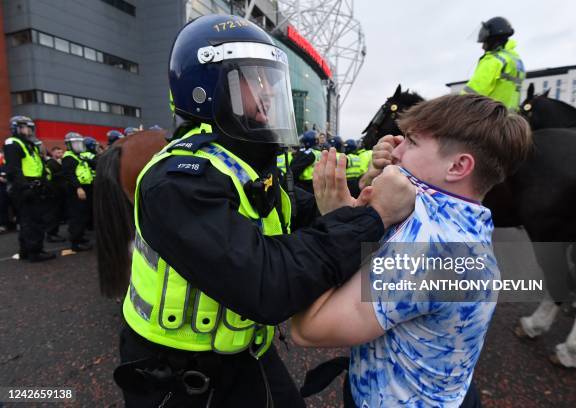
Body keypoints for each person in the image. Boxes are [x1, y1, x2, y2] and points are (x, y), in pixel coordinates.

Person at [112, 14, 414, 408]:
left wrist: (358, 189)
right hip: (179, 376)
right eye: (253, 81)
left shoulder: (246, 163)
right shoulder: (178, 182)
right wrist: (372, 219)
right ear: (205, 91)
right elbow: (268, 283)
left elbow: (300, 211)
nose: (269, 94)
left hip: (244, 352)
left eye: (271, 81)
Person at [291, 94, 532, 407]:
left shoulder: (432, 250)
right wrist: (371, 182)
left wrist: (335, 223)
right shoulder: (459, 220)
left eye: (413, 142)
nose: (396, 149)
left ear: (458, 166)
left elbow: (307, 330)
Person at [3, 116, 56, 261]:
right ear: (17, 128)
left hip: (33, 185)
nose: (29, 131)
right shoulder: (13, 143)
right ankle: (35, 252)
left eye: (30, 128)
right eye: (26, 128)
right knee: (33, 222)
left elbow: (36, 165)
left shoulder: (28, 144)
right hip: (26, 187)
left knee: (28, 220)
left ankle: (26, 250)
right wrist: (27, 186)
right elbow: (13, 169)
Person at [461, 17, 525, 111]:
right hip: (510, 118)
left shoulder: (494, 60)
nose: (483, 47)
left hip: (489, 118)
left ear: (493, 39)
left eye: (485, 42)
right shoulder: (515, 60)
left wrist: (454, 107)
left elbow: (472, 93)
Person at [62, 132, 93, 252]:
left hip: (85, 188)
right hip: (76, 190)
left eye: (80, 143)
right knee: (77, 216)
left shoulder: (79, 156)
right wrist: (78, 188)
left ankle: (80, 237)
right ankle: (76, 243)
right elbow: (69, 175)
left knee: (83, 215)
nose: (78, 145)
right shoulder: (68, 157)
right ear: (69, 145)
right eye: (75, 143)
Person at [44, 146, 67, 242]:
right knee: (53, 214)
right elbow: (50, 177)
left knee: (57, 214)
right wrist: (63, 171)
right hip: (54, 192)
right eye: (58, 153)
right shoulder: (50, 164)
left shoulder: (61, 163)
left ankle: (54, 233)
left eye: (61, 153)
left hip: (60, 192)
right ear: (53, 153)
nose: (60, 155)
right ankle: (51, 234)